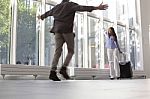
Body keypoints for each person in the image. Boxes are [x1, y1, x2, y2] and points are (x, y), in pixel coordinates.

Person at [38, 0, 108, 81]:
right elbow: (81, 8)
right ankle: (63, 69)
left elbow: (49, 12)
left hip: (57, 31)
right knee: (71, 51)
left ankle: (52, 72)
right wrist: (96, 8)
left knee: (57, 51)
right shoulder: (70, 5)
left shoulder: (57, 7)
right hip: (67, 30)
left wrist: (41, 16)